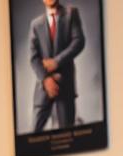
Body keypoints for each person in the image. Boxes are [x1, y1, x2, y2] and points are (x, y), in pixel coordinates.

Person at [29, 0, 85, 132]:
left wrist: (56, 62)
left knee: (67, 136)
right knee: (32, 137)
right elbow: (33, 58)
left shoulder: (71, 14)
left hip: (65, 86)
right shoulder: (35, 25)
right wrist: (46, 79)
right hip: (43, 89)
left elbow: (79, 42)